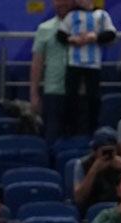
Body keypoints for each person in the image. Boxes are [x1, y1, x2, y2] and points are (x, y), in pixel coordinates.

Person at [61, 0, 118, 139]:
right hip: (74, 62)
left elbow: (111, 33)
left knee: (93, 97)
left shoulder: (102, 15)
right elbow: (61, 34)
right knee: (71, 97)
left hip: (93, 63)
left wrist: (96, 37)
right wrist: (71, 39)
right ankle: (70, 130)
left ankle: (93, 129)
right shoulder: (71, 16)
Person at [30, 0, 73, 139]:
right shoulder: (44, 28)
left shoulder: (84, 27)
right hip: (53, 91)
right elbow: (37, 63)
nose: (62, 3)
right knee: (52, 136)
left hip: (78, 91)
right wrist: (34, 94)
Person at [73, 127, 121, 209]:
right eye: (104, 151)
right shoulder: (82, 164)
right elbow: (79, 198)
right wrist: (93, 171)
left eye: (111, 150)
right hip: (91, 209)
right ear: (95, 150)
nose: (107, 154)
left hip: (119, 209)